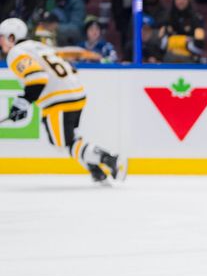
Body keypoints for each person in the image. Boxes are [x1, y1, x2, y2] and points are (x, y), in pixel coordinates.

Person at [0, 18, 124, 183]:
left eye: (1, 37)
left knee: (63, 142)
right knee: (70, 138)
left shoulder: (15, 53)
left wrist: (22, 102)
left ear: (11, 37)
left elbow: (37, 77)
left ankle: (109, 159)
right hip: (76, 93)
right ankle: (96, 170)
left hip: (59, 100)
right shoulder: (38, 46)